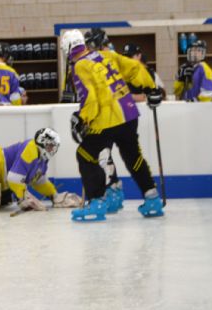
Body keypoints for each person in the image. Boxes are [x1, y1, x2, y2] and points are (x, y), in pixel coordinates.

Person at [62, 29, 164, 222]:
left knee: (85, 155)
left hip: (107, 120)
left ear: (67, 49)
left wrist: (82, 118)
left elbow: (90, 98)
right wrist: (152, 88)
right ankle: (152, 198)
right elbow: (134, 68)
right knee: (132, 155)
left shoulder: (80, 66)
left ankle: (97, 202)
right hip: (129, 113)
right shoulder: (106, 54)